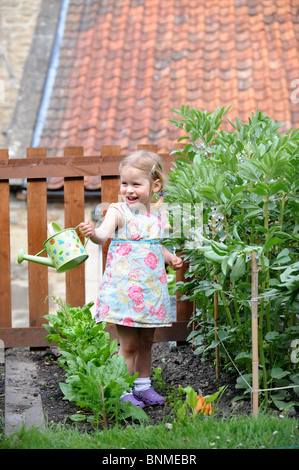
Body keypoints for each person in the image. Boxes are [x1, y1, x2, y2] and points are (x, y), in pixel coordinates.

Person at [79, 150, 183, 408]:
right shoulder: (117, 211)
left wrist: (169, 257)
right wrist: (92, 233)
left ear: (155, 185)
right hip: (125, 293)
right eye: (124, 183)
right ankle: (123, 391)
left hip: (150, 291)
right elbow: (103, 235)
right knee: (128, 345)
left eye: (136, 184)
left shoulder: (158, 214)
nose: (128, 189)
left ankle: (143, 386)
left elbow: (153, 244)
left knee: (147, 342)